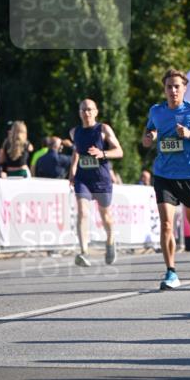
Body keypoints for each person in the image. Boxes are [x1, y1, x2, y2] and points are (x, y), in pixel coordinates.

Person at [143, 67, 190, 290]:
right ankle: (171, 272)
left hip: (189, 174)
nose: (173, 90)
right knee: (166, 224)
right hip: (163, 174)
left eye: (177, 86)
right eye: (169, 87)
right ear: (164, 89)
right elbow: (148, 135)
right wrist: (150, 137)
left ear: (184, 88)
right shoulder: (156, 111)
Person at [69, 100, 123, 267]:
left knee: (105, 215)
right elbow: (76, 151)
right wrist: (72, 170)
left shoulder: (103, 129)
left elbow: (119, 151)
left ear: (96, 111)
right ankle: (84, 251)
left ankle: (110, 241)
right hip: (83, 178)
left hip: (101, 178)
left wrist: (103, 153)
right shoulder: (74, 132)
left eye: (90, 110)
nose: (87, 113)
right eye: (83, 110)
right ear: (79, 112)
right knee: (82, 212)